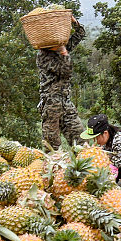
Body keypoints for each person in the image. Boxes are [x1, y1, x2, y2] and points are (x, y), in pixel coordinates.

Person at [36, 15, 86, 150]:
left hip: (65, 102)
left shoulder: (61, 48)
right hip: (51, 105)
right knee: (52, 147)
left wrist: (74, 22)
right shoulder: (43, 56)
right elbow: (65, 71)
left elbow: (81, 34)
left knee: (80, 140)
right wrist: (64, 52)